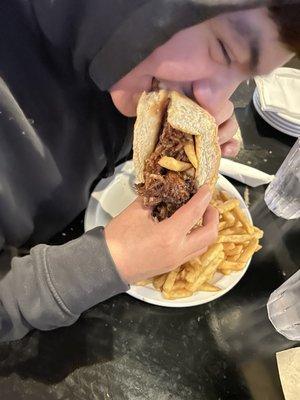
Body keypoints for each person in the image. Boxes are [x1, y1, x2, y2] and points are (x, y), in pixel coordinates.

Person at [0, 0, 298, 342]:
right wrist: (107, 262)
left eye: (242, 77)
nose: (215, 101)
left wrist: (166, 135)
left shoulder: (116, 61)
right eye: (223, 49)